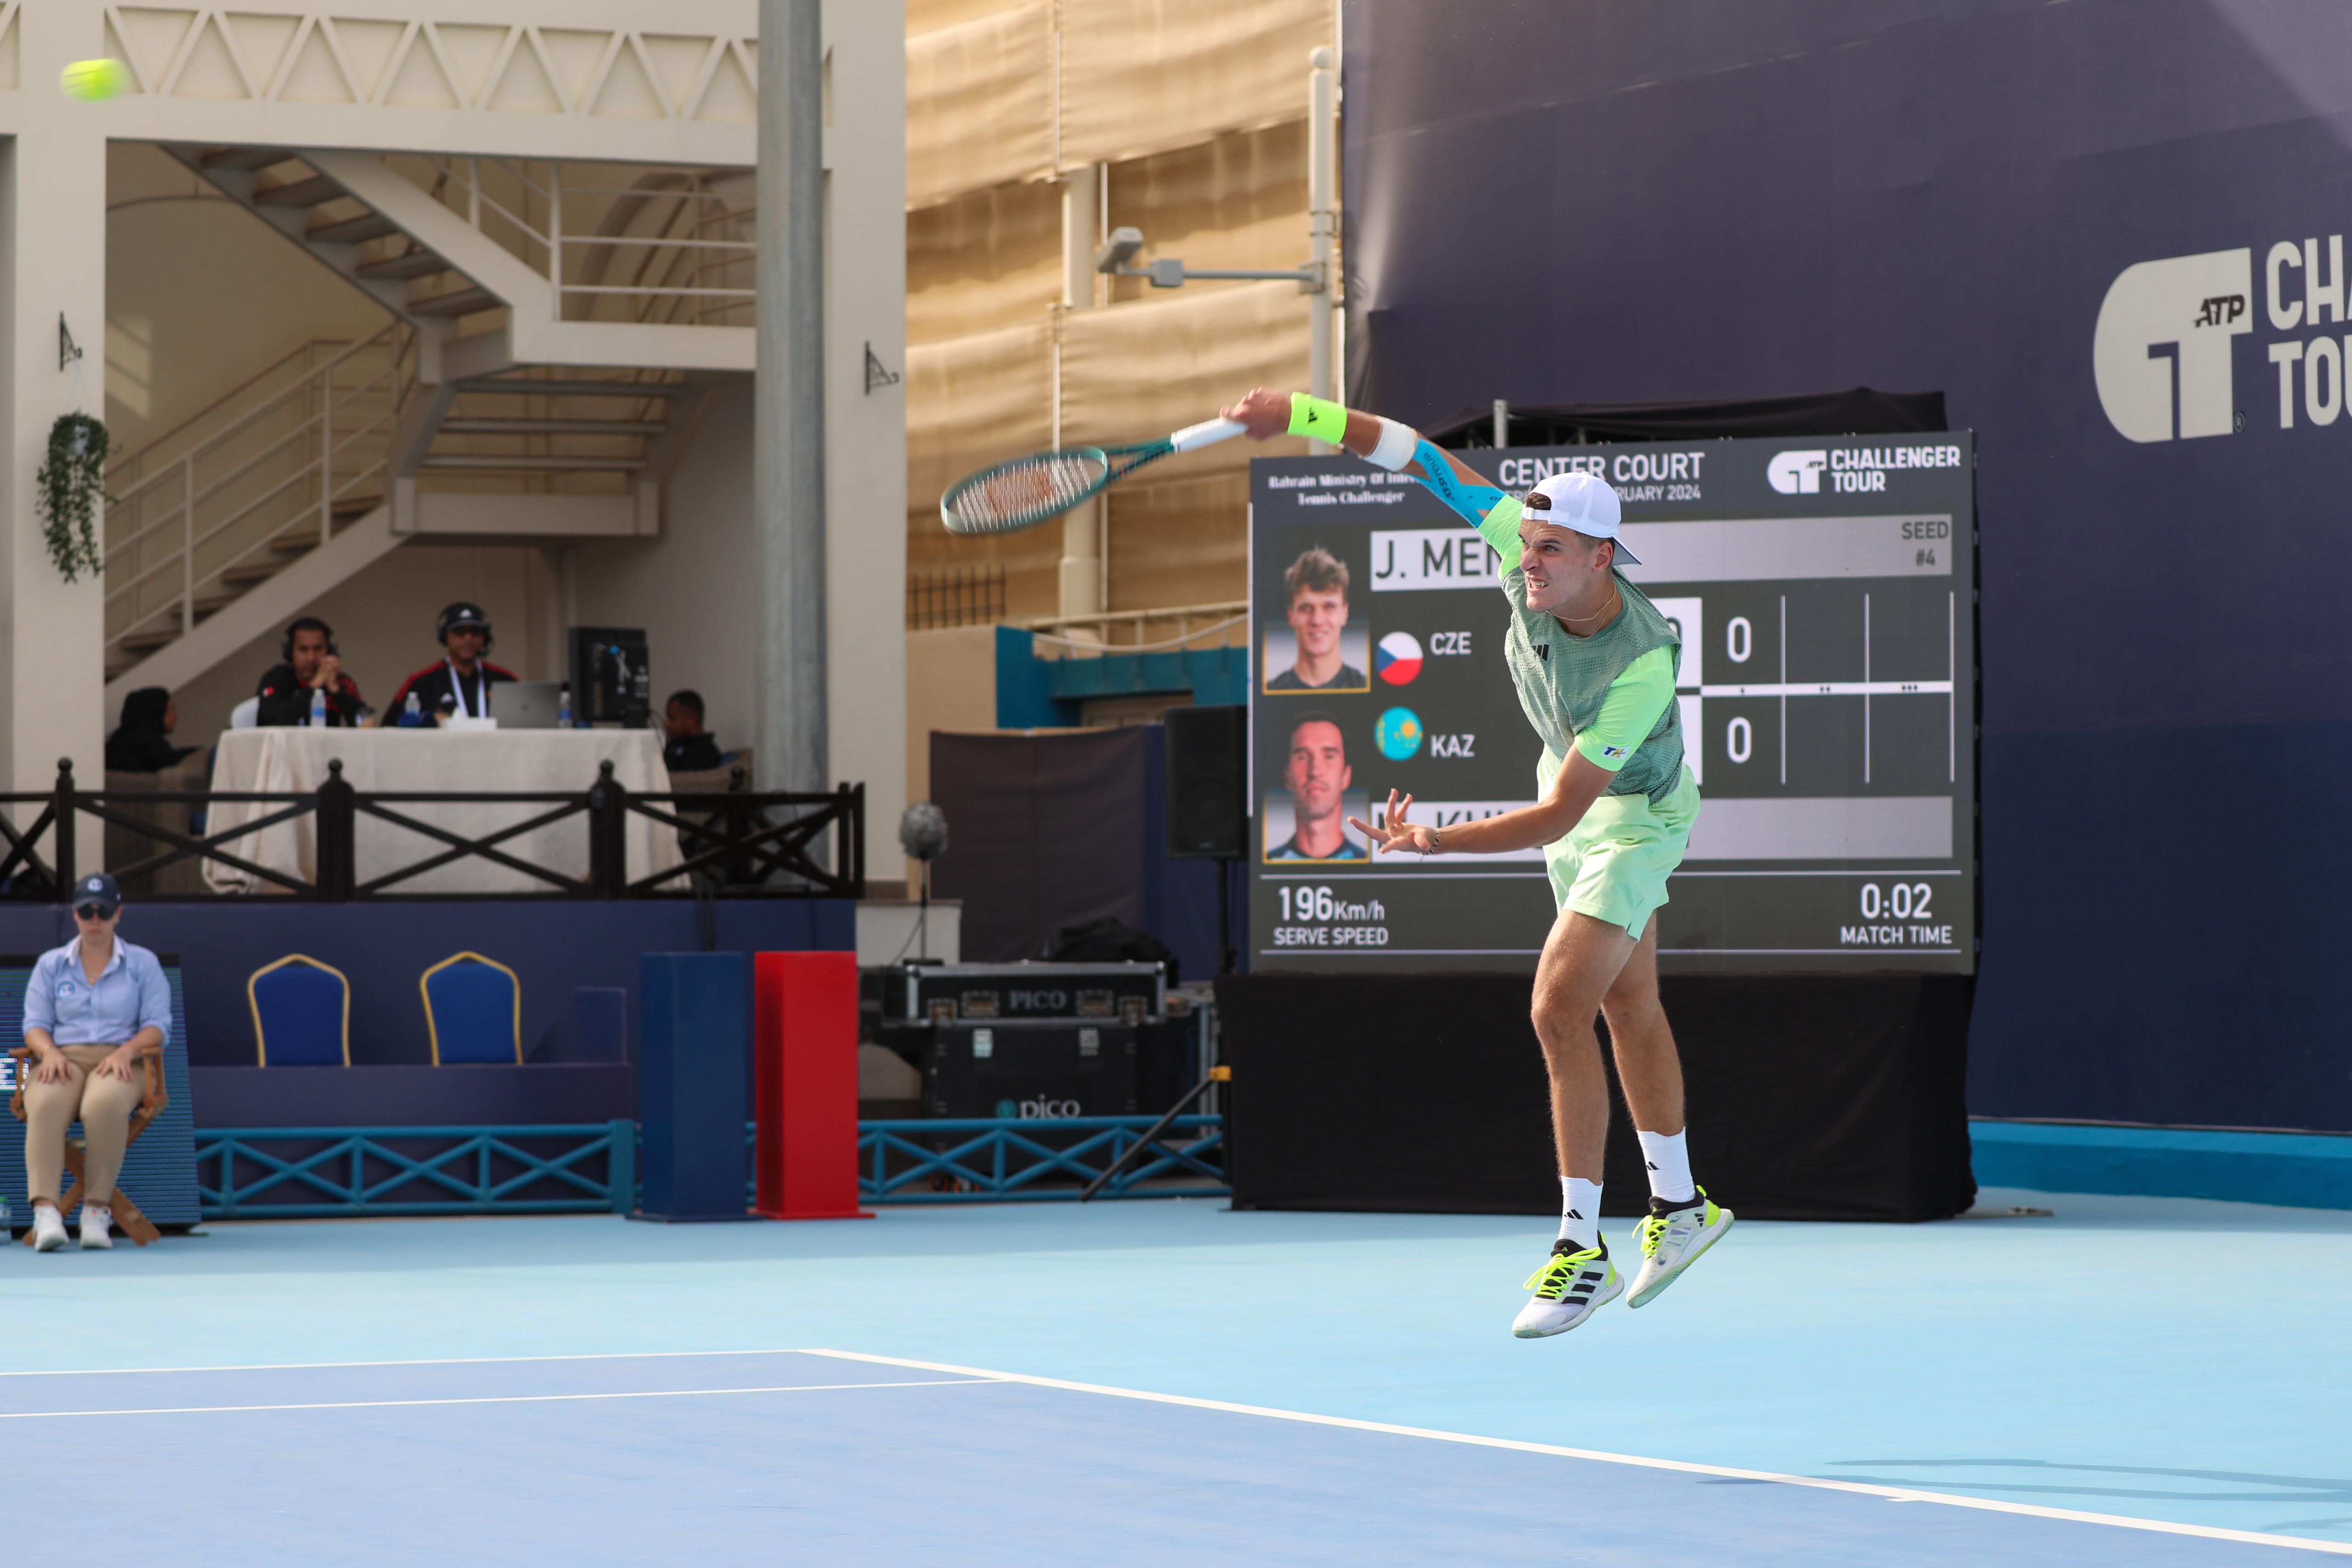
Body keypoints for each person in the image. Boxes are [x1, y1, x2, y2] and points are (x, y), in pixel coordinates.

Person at [1227, 386, 1732, 1339]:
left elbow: (1561, 815)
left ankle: (1579, 1248)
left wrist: (1436, 838)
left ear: (1602, 557)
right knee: (1628, 1004)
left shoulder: (1641, 664)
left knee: (1556, 1008)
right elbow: (1419, 456)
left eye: (1552, 549)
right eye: (1527, 543)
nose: (1529, 559)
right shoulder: (1518, 546)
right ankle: (1682, 1208)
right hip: (1573, 794)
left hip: (1635, 818)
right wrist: (1299, 413)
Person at [20, 874, 171, 1252]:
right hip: (63, 1058)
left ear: (118, 914)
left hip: (124, 1060)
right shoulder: (50, 964)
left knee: (103, 1103)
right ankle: (46, 1213)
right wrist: (49, 1052)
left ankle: (96, 1210)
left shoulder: (144, 963)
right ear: (74, 914)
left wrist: (126, 1052)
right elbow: (33, 1025)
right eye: (87, 912)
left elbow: (159, 1027)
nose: (95, 920)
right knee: (43, 1101)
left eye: (103, 912)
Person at [387, 602, 518, 725]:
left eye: (475, 632)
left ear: (485, 637)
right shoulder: (422, 683)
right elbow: (389, 726)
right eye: (460, 632)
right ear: (445, 636)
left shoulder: (505, 680)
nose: (468, 638)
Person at [1265, 713, 1367, 861]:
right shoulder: (1270, 861)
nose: (1315, 772)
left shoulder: (1365, 860)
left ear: (1346, 776)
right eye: (1303, 757)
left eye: (1329, 756)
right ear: (1287, 776)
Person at [1265, 547, 1368, 692]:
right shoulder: (1271, 692)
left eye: (1329, 607)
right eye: (1307, 608)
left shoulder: (1363, 688)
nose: (1317, 620)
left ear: (1345, 614)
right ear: (1291, 616)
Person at [255, 616, 364, 727]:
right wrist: (313, 687)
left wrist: (336, 690)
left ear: (329, 650)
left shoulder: (338, 681)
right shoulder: (275, 679)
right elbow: (276, 720)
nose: (311, 658)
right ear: (290, 652)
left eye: (318, 649)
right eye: (303, 649)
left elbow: (365, 723)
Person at [104, 688, 196, 773]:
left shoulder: (114, 744)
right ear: (156, 712)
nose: (176, 715)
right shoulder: (152, 748)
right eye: (172, 709)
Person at [661, 690, 724, 772]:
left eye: (672, 718)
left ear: (692, 719)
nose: (667, 723)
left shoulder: (705, 753)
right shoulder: (673, 745)